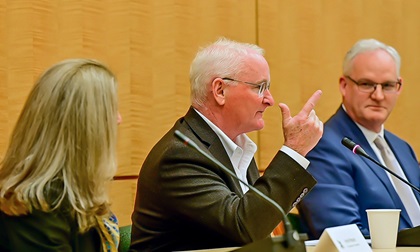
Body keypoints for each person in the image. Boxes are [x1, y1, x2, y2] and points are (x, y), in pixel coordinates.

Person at [130, 37, 323, 251]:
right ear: (220, 90)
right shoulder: (181, 156)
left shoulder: (236, 147)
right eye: (260, 87)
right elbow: (245, 229)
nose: (270, 100)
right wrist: (294, 151)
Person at [298, 38, 420, 239]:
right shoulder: (322, 147)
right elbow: (344, 236)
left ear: (399, 87)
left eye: (388, 85)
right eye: (367, 84)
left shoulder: (402, 148)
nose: (378, 96)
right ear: (344, 85)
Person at [0, 59, 122, 252]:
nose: (118, 119)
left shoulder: (70, 191)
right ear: (84, 126)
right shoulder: (37, 206)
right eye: (109, 112)